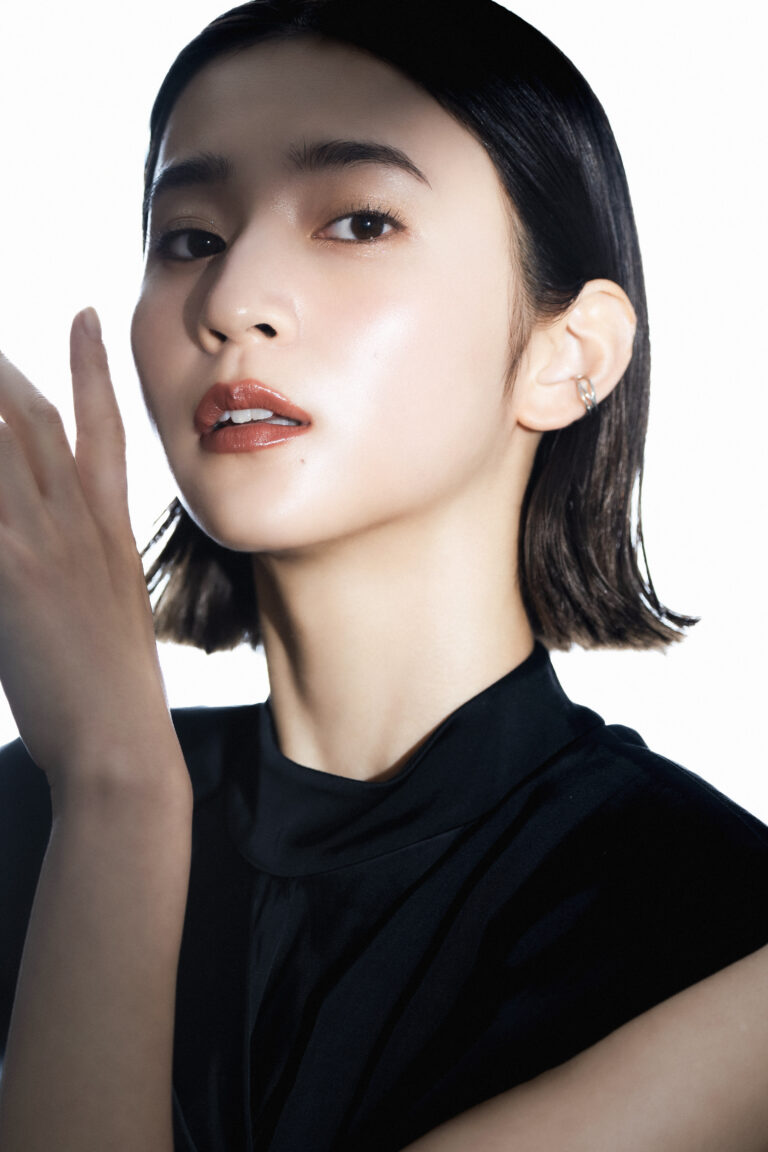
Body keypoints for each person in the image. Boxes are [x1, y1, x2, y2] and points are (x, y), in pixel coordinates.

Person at [0, 1, 767, 1149]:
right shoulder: (22, 818)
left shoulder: (713, 927)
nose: (232, 301)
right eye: (191, 238)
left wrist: (117, 790)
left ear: (570, 356)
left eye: (358, 221)